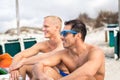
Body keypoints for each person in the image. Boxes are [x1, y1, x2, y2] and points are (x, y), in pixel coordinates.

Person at [32, 19, 105, 80]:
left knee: (86, 77)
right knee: (44, 70)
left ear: (78, 35)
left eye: (65, 34)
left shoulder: (95, 52)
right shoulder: (64, 53)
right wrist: (41, 76)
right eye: (61, 33)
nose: (61, 37)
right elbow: (38, 64)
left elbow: (87, 73)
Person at [9, 16, 69, 80]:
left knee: (43, 69)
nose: (43, 29)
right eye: (43, 27)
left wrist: (23, 61)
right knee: (22, 66)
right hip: (52, 72)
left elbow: (49, 56)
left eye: (46, 26)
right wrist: (14, 68)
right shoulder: (43, 44)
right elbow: (19, 55)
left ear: (56, 28)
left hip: (65, 76)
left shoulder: (64, 43)